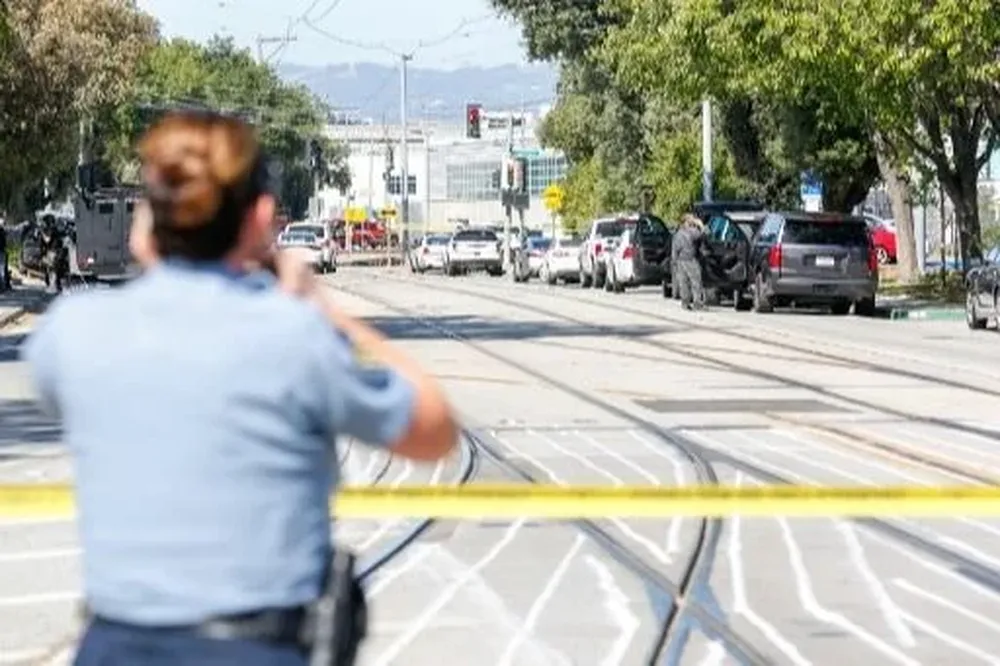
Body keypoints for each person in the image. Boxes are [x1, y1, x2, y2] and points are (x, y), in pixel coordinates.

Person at [22, 110, 459, 666]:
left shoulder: (73, 334)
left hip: (117, 648)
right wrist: (324, 311)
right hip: (257, 648)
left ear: (146, 221)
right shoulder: (296, 337)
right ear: (261, 220)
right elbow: (432, 429)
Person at [672, 214, 706, 310]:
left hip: (680, 260)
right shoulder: (691, 232)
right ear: (687, 222)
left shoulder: (678, 234)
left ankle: (685, 303)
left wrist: (674, 262)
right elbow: (704, 234)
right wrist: (700, 225)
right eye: (691, 221)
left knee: (684, 283)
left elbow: (674, 250)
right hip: (690, 259)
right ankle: (697, 303)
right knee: (696, 281)